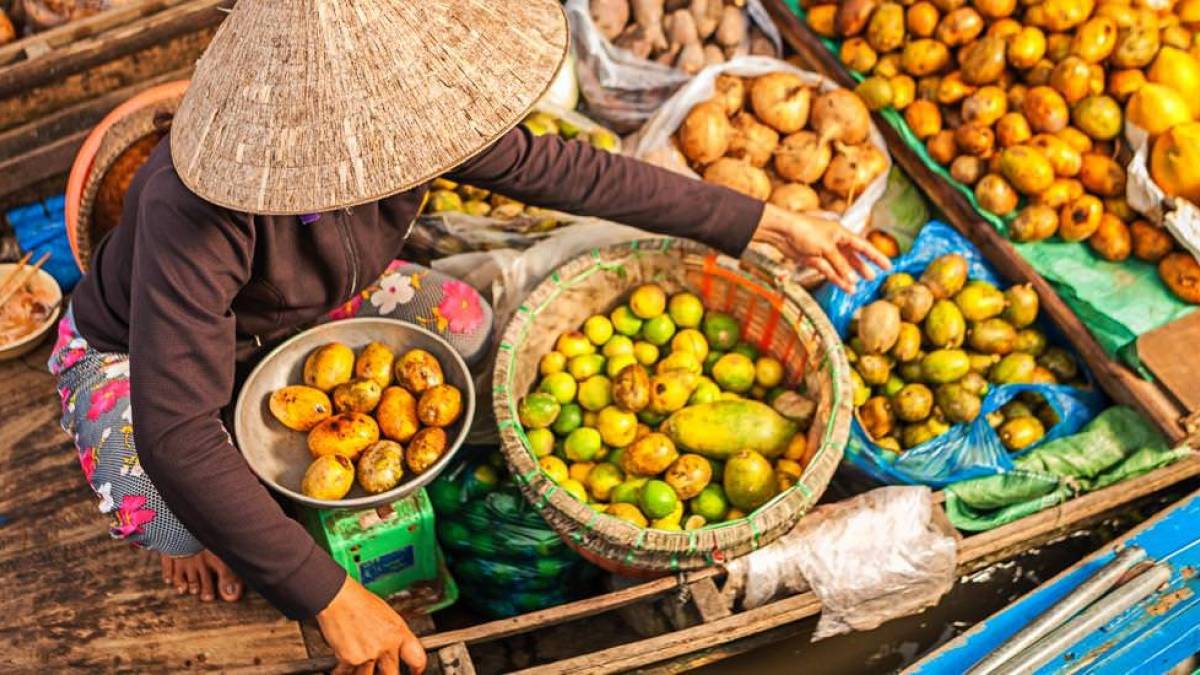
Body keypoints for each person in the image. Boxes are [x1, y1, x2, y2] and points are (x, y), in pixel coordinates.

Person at [47, 1, 889, 673]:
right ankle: (182, 539)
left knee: (467, 322)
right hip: (134, 353)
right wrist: (329, 593)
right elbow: (177, 428)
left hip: (306, 318)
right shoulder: (192, 207)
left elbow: (570, 170)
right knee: (167, 508)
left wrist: (761, 220)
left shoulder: (408, 118)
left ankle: (228, 514)